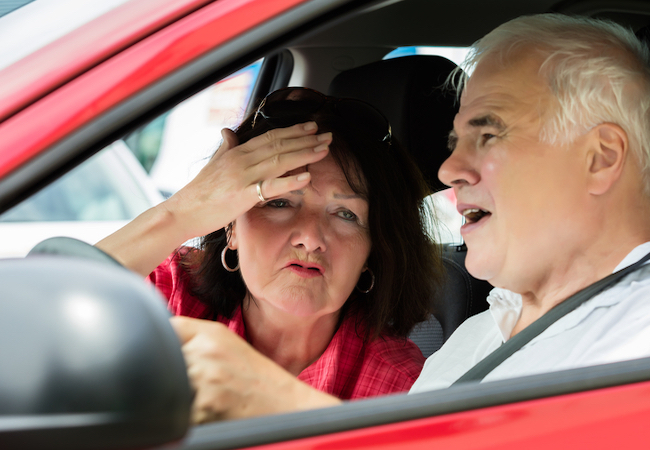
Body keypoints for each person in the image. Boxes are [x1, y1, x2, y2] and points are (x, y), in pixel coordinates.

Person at [163, 13, 650, 417]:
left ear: (601, 157)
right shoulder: (481, 334)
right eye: (454, 140)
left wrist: (286, 413)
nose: (449, 170)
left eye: (488, 133)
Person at [96, 87, 442, 422]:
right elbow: (45, 311)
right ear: (230, 225)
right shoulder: (166, 292)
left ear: (373, 251)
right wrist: (180, 213)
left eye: (346, 214)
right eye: (279, 202)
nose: (310, 238)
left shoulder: (398, 386)